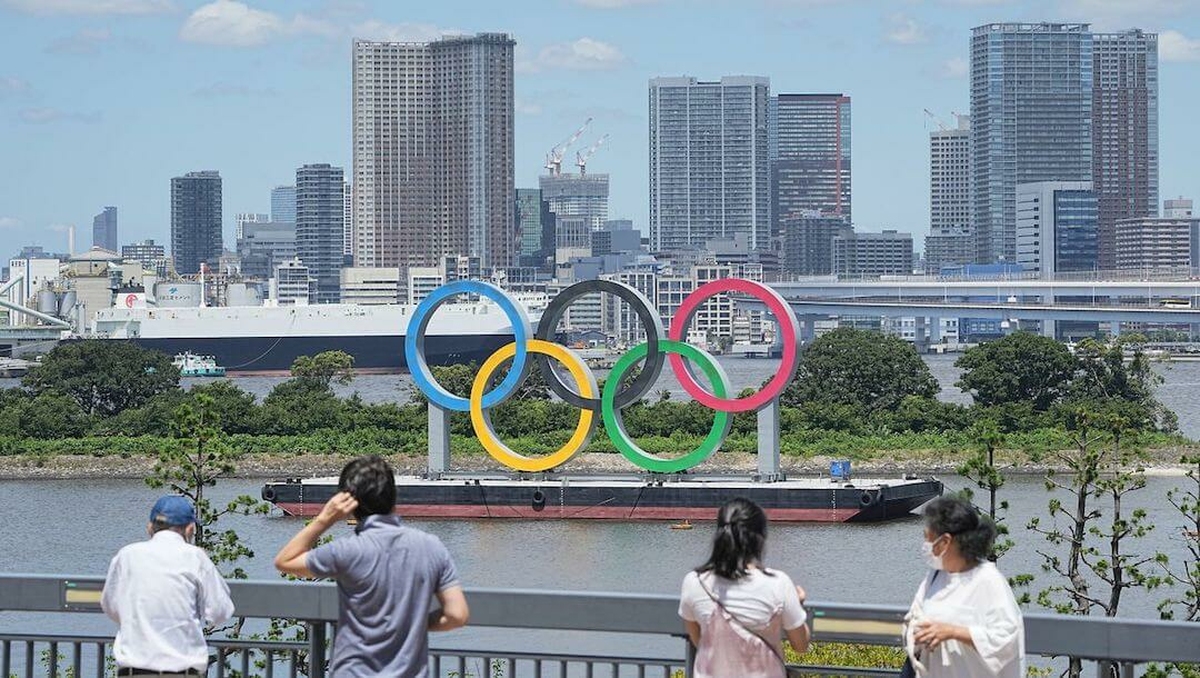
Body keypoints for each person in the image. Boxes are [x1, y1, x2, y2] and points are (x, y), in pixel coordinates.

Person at [275, 454, 468, 677]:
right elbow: (457, 614)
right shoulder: (431, 547)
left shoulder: (347, 550)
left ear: (347, 502)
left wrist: (325, 519)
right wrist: (411, 623)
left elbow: (285, 561)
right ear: (394, 496)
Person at [101, 495, 234, 677]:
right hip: (183, 669)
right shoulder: (195, 557)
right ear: (189, 529)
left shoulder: (127, 556)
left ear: (150, 527)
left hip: (134, 670)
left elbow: (111, 607)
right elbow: (220, 612)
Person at [678, 498, 810, 678]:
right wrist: (797, 603)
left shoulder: (694, 582)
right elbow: (801, 645)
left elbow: (699, 639)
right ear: (760, 538)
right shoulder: (779, 583)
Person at [905, 496, 1024, 678]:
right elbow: (914, 616)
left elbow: (1007, 638)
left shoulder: (988, 580)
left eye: (928, 539)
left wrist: (953, 632)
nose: (926, 547)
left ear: (945, 542)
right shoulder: (935, 575)